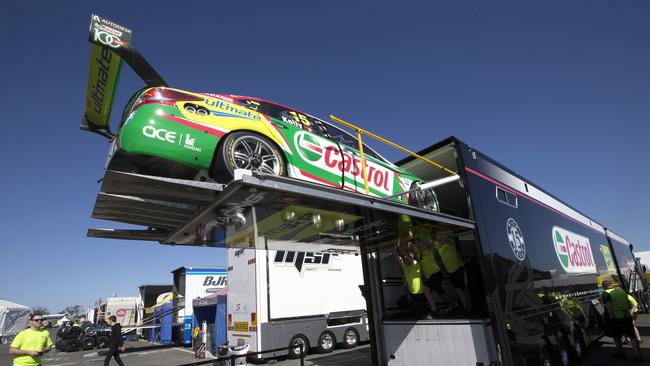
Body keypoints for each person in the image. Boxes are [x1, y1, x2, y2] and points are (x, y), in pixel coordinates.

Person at [602, 279, 641, 361]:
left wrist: (611, 319)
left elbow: (609, 307)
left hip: (617, 318)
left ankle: (621, 353)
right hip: (627, 317)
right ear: (611, 284)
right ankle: (637, 354)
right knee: (632, 336)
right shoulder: (621, 292)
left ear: (604, 286)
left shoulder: (606, 294)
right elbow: (629, 303)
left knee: (617, 337)